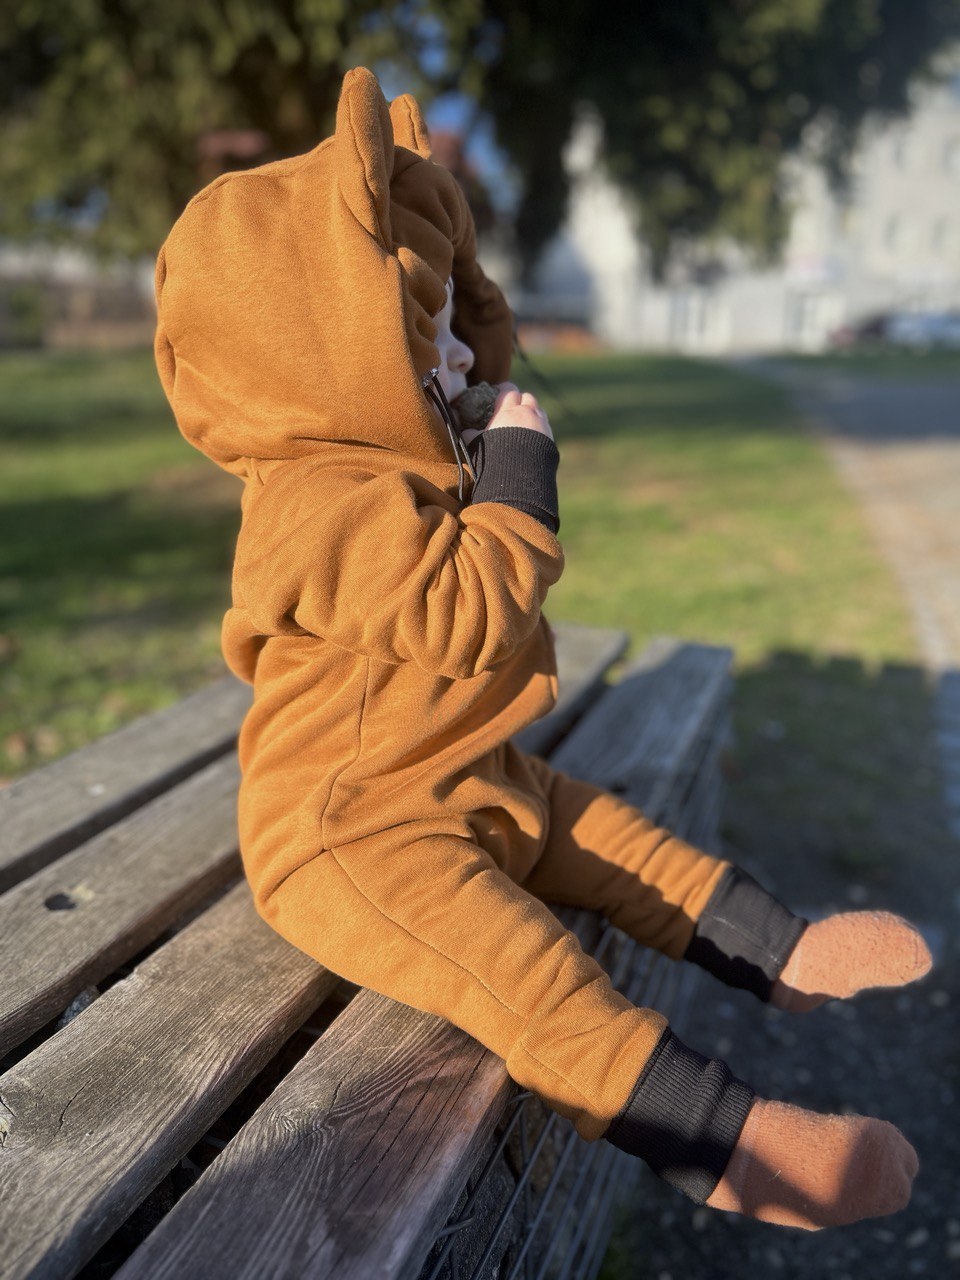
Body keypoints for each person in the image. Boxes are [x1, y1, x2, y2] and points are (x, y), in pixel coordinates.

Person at [152, 65, 931, 1230]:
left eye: (453, 324)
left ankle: (788, 948)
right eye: (425, 332)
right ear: (319, 354)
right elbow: (464, 616)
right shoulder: (311, 502)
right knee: (531, 977)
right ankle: (731, 1143)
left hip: (463, 769)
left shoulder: (396, 463)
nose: (463, 357)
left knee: (607, 833)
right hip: (354, 829)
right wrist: (521, 479)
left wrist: (479, 428)